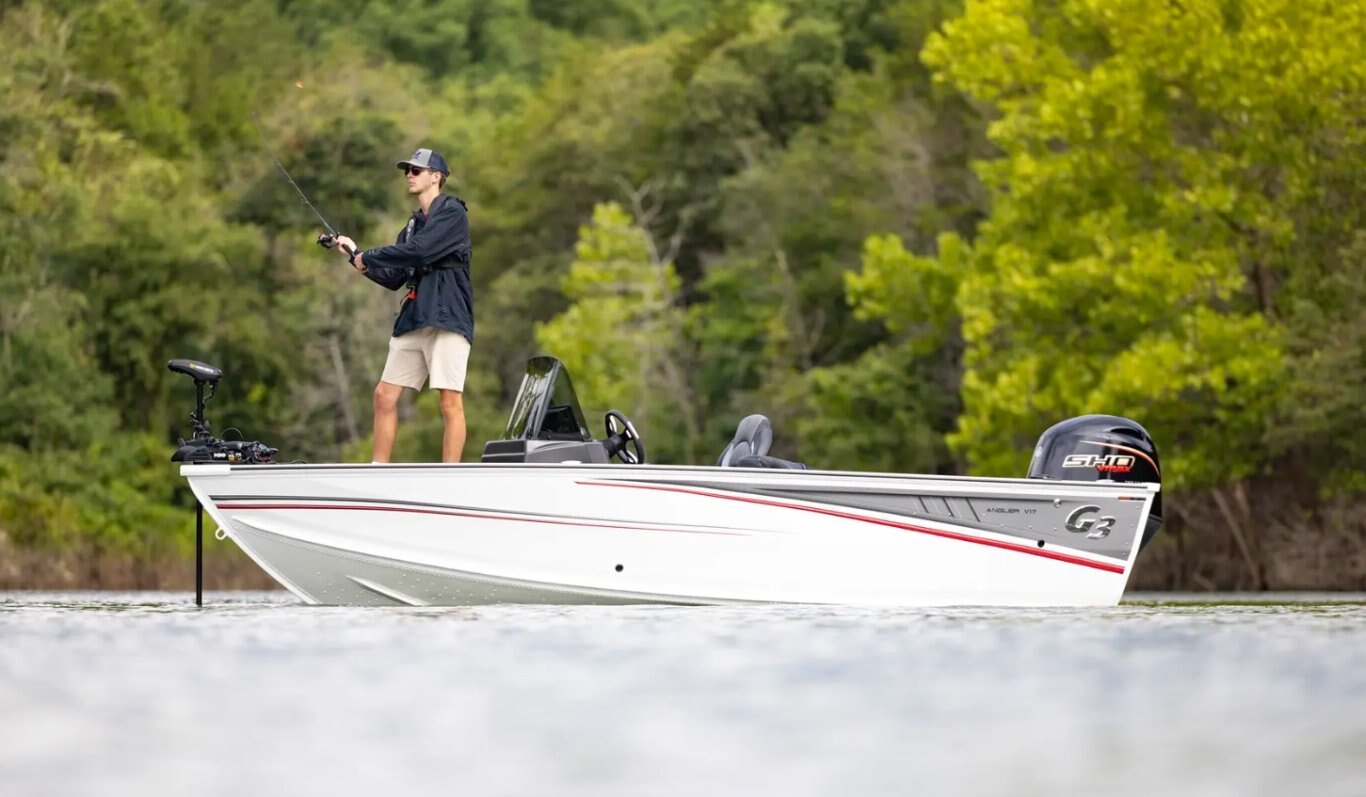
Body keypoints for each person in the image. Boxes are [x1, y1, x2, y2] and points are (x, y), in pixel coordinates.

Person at [330, 148, 473, 463]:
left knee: (449, 402)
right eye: (407, 170)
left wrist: (369, 256)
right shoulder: (412, 225)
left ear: (436, 177)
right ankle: (377, 469)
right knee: (384, 396)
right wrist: (355, 256)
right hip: (415, 317)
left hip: (448, 317)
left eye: (416, 170)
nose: (409, 174)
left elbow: (420, 251)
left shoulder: (452, 212)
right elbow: (395, 276)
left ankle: (450, 476)